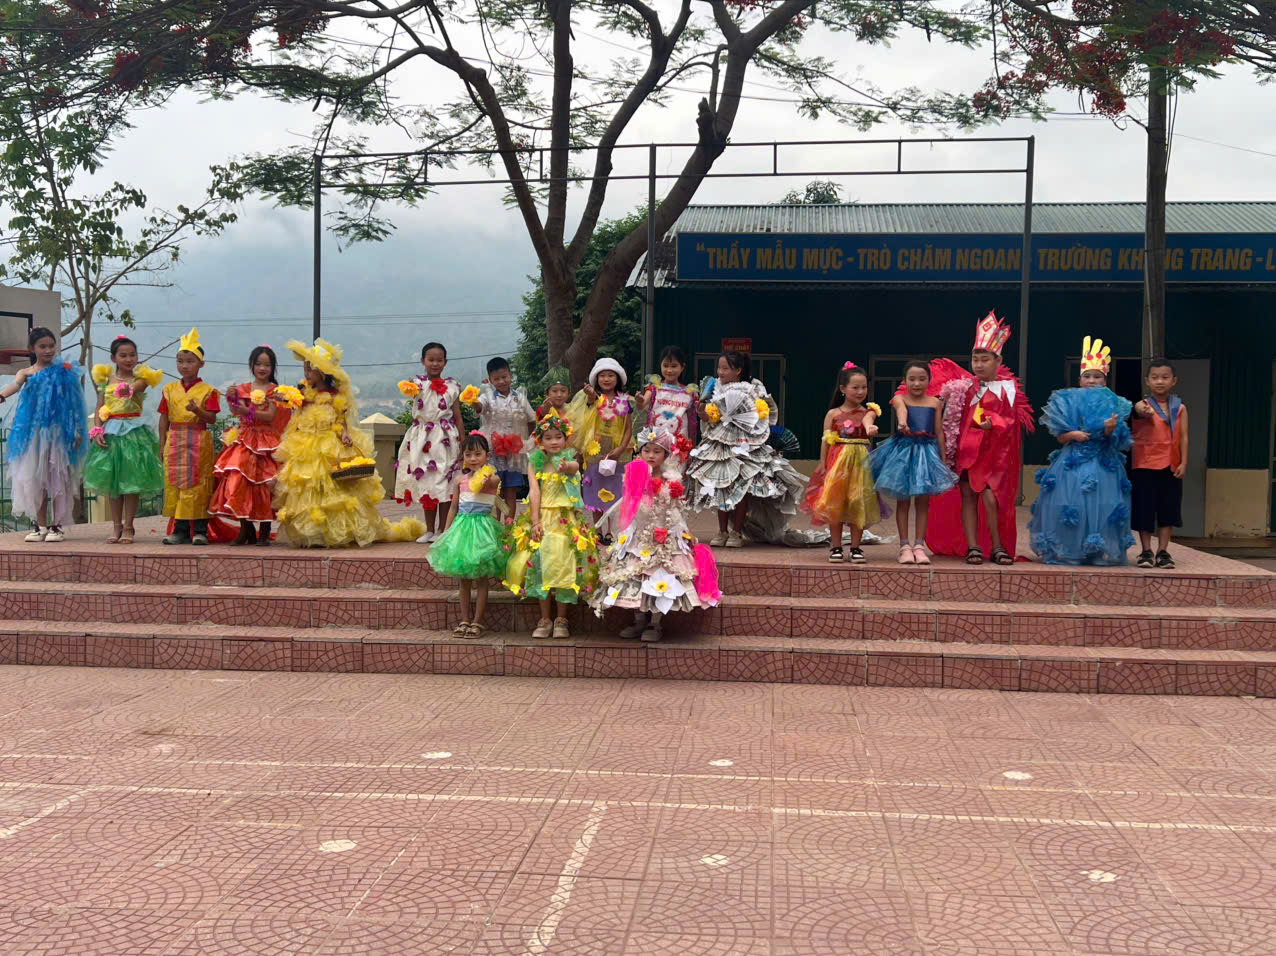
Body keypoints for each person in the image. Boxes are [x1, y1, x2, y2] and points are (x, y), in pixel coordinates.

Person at [273, 338, 424, 547]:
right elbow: (293, 406)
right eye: (304, 368)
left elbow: (341, 419)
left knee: (334, 488)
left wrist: (344, 434)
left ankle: (335, 532)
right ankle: (311, 532)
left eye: (310, 369)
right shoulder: (302, 391)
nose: (306, 373)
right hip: (305, 445)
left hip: (329, 443)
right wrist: (284, 398)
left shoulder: (335, 395)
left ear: (321, 371)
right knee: (307, 488)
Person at [924, 312, 1035, 565]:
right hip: (966, 454)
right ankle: (972, 546)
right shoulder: (964, 386)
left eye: (985, 360)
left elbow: (1010, 421)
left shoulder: (1007, 389)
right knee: (967, 498)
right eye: (975, 359)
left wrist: (992, 422)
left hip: (992, 457)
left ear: (998, 361)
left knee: (991, 500)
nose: (979, 364)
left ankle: (997, 546)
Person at [592, 427, 721, 643]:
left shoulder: (672, 478)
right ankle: (638, 620)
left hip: (664, 535)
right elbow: (629, 505)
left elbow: (676, 510)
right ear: (640, 452)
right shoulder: (634, 473)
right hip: (639, 535)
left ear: (666, 455)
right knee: (636, 576)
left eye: (657, 451)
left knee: (660, 577)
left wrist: (682, 532)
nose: (651, 455)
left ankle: (655, 623)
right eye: (647, 451)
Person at [1028, 336, 1134, 566]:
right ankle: (1072, 549)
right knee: (1072, 503)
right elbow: (1060, 436)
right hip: (1073, 461)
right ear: (1079, 379)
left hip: (1103, 461)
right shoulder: (1068, 400)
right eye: (1087, 376)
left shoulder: (1114, 403)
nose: (1092, 380)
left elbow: (1120, 441)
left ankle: (1096, 550)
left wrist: (1110, 430)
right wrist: (1073, 435)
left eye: (1097, 376)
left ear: (1105, 380)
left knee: (1101, 504)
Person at [687, 350, 806, 548]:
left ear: (738, 370)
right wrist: (702, 414)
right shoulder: (715, 389)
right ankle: (722, 531)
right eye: (719, 368)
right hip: (720, 445)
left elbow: (761, 418)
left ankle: (736, 531)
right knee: (721, 487)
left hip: (746, 444)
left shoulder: (753, 389)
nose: (720, 372)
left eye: (725, 368)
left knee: (742, 488)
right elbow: (712, 419)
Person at [503, 410, 599, 639]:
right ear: (540, 441)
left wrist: (565, 468)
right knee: (540, 563)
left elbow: (574, 468)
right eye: (548, 438)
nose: (554, 442)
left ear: (566, 438)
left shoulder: (570, 459)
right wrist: (535, 521)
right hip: (543, 518)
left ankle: (562, 618)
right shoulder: (535, 462)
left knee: (565, 563)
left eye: (558, 437)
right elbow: (534, 492)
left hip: (565, 521)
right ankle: (545, 618)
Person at [0, 327, 86, 542]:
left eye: (51, 346)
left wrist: (77, 429)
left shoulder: (64, 371)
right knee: (36, 479)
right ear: (32, 348)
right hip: (33, 433)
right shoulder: (26, 373)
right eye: (42, 346)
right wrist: (1, 395)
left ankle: (57, 526)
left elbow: (74, 403)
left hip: (58, 432)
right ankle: (40, 526)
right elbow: (15, 386)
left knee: (58, 477)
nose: (48, 350)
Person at [872, 359, 957, 564]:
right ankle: (904, 546)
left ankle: (919, 545)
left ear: (929, 380)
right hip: (903, 452)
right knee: (903, 501)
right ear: (905, 380)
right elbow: (901, 411)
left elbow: (939, 431)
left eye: (922, 379)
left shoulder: (935, 402)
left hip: (927, 453)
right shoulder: (899, 398)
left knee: (923, 502)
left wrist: (943, 458)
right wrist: (902, 423)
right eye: (912, 379)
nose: (917, 383)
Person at [84, 336, 165, 545]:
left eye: (132, 355)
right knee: (112, 482)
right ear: (113, 358)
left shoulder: (141, 378)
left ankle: (128, 526)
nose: (129, 359)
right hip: (111, 432)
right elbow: (100, 407)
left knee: (132, 481)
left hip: (133, 433)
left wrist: (127, 389)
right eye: (123, 355)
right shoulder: (105, 380)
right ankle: (116, 526)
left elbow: (134, 389)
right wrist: (98, 430)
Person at [428, 432, 508, 638]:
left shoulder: (493, 478)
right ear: (463, 456)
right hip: (462, 529)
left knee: (481, 578)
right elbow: (453, 507)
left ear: (487, 456)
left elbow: (488, 486)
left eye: (478, 454)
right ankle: (464, 619)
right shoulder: (459, 480)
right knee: (463, 579)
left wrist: (484, 476)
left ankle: (478, 621)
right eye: (468, 454)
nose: (473, 459)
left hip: (483, 530)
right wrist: (446, 532)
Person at [801, 362, 882, 563]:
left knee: (858, 501)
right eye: (855, 387)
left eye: (864, 387)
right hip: (837, 463)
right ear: (843, 389)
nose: (860, 391)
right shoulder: (833, 414)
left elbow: (868, 423)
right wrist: (822, 463)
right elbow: (825, 440)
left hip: (861, 464)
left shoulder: (869, 411)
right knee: (834, 503)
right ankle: (836, 546)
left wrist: (870, 428)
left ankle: (855, 547)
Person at [210, 345, 290, 546]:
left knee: (267, 483)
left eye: (267, 365)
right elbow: (235, 411)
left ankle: (264, 530)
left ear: (272, 368)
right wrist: (231, 398)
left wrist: (248, 412)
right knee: (238, 481)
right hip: (245, 438)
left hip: (267, 440)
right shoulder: (243, 388)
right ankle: (246, 530)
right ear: (252, 365)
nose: (262, 368)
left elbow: (270, 416)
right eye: (259, 364)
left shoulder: (275, 391)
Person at [157, 329, 221, 545]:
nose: (184, 366)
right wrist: (162, 444)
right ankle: (180, 530)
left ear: (201, 364)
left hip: (198, 440)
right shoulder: (169, 389)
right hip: (175, 439)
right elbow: (163, 419)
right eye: (180, 361)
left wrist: (197, 411)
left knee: (199, 485)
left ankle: (200, 530)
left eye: (190, 361)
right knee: (176, 485)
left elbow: (211, 418)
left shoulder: (209, 391)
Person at [394, 341, 462, 543]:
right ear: (423, 361)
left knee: (445, 483)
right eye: (431, 360)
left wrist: (462, 439)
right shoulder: (416, 385)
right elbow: (408, 392)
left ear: (445, 362)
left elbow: (457, 415)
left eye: (439, 360)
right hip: (422, 438)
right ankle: (429, 529)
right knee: (426, 482)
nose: (435, 364)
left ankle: (443, 529)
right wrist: (410, 387)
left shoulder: (452, 386)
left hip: (445, 438)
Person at [1131, 358, 1188, 569]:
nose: (1160, 381)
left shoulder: (1179, 408)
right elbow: (1136, 410)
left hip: (1171, 465)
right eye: (1154, 377)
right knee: (1144, 509)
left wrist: (1184, 462)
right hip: (1144, 464)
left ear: (1174, 381)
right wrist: (1139, 409)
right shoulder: (1143, 406)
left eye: (1165, 377)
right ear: (1147, 381)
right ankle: (1146, 551)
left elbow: (1184, 437)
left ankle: (1163, 551)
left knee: (1168, 510)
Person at [470, 356, 536, 519]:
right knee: (494, 489)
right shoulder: (487, 397)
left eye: (504, 377)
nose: (501, 381)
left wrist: (525, 441)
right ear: (490, 379)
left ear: (510, 375)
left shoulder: (520, 397)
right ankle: (494, 526)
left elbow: (531, 419)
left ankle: (508, 525)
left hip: (513, 453)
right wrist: (472, 401)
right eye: (496, 379)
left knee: (511, 492)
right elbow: (479, 407)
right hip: (493, 452)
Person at [570, 357, 634, 521]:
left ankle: (611, 530)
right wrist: (591, 395)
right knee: (596, 487)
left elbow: (628, 428)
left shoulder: (624, 400)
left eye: (610, 375)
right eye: (602, 375)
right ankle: (598, 529)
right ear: (596, 378)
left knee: (615, 489)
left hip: (617, 452)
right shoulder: (593, 398)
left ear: (618, 378)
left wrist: (621, 449)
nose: (606, 379)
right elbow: (590, 403)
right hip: (595, 450)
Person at [635, 345, 697, 454]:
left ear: (682, 367)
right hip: (655, 443)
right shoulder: (654, 388)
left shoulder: (689, 393)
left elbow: (692, 422)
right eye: (665, 365)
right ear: (660, 365)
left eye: (674, 366)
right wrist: (639, 401)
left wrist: (692, 445)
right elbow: (642, 405)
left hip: (678, 446)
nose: (669, 370)